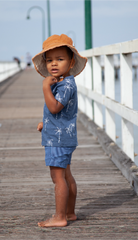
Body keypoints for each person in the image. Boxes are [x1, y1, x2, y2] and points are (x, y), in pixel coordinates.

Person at [32, 34, 87, 227]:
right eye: (49, 60)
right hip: (63, 135)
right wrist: (45, 123)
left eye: (60, 59)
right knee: (66, 175)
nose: (53, 64)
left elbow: (55, 107)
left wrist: (45, 87)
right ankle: (70, 213)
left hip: (58, 140)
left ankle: (60, 216)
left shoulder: (64, 85)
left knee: (58, 178)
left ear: (71, 62)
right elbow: (59, 113)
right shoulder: (67, 82)